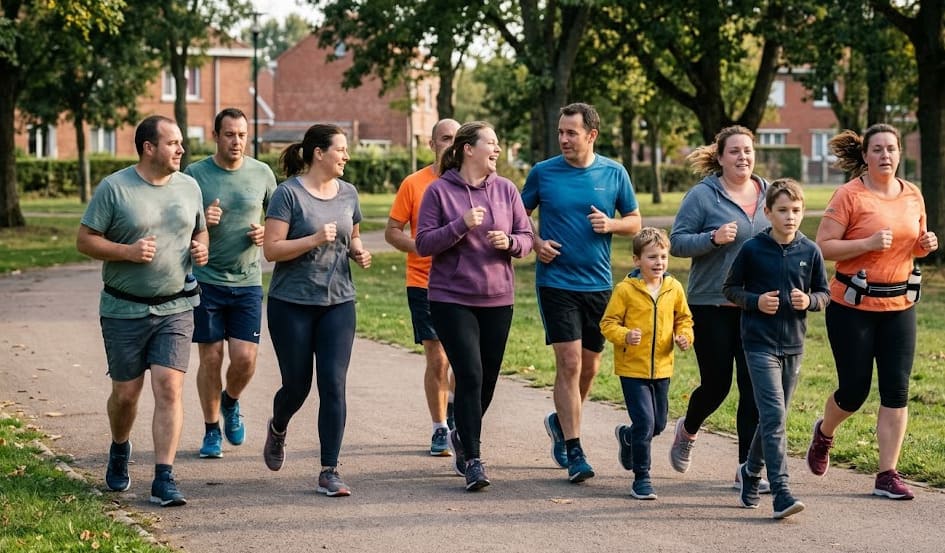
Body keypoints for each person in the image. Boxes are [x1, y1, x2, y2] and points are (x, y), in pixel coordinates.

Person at [76, 115, 209, 507]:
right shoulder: (115, 189)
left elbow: (199, 229)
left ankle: (164, 477)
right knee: (126, 394)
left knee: (169, 386)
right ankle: (120, 447)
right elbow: (85, 240)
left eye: (181, 142)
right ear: (149, 147)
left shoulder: (189, 186)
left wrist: (202, 246)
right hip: (123, 308)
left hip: (176, 305)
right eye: (173, 143)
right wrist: (127, 253)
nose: (181, 150)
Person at [805, 124, 937, 500]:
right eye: (877, 149)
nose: (885, 155)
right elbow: (823, 248)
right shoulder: (849, 195)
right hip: (853, 306)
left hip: (900, 305)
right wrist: (866, 242)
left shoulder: (912, 194)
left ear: (899, 153)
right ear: (865, 155)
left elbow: (915, 245)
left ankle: (887, 474)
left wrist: (926, 245)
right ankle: (825, 433)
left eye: (891, 149)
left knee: (897, 390)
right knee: (854, 391)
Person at [522, 102, 641, 483]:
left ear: (591, 135)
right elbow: (518, 215)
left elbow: (635, 221)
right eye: (560, 132)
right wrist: (536, 243)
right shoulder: (543, 173)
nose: (564, 139)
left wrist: (612, 225)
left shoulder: (614, 172)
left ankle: (560, 423)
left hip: (599, 284)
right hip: (556, 282)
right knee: (570, 363)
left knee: (590, 366)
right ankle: (575, 450)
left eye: (571, 133)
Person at [415, 121, 533, 491]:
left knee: (488, 381)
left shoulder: (506, 190)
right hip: (452, 298)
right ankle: (475, 460)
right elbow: (423, 243)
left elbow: (527, 237)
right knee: (470, 374)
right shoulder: (439, 192)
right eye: (491, 143)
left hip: (498, 297)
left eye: (498, 144)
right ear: (469, 149)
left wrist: (510, 243)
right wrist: (460, 225)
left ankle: (462, 435)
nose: (497, 150)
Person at [261, 124, 372, 497]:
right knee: (297, 385)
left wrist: (358, 250)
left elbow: (351, 234)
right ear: (319, 153)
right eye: (341, 150)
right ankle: (278, 427)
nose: (346, 156)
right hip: (291, 303)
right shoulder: (287, 194)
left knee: (333, 384)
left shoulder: (349, 194)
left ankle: (330, 469)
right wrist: (311, 239)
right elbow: (272, 250)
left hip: (338, 302)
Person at [668, 125, 771, 493]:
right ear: (721, 156)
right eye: (734, 152)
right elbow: (676, 243)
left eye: (748, 150)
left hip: (755, 305)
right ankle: (688, 429)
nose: (743, 157)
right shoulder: (702, 196)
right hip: (710, 302)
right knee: (716, 385)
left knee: (753, 388)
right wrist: (712, 238)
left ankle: (747, 470)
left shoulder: (768, 194)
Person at [723, 179, 830, 519]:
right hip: (759, 344)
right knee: (772, 417)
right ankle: (781, 491)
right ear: (767, 212)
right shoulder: (753, 249)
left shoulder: (810, 251)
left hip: (794, 346)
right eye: (782, 210)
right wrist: (755, 301)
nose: (790, 217)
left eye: (796, 211)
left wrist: (809, 300)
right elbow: (730, 289)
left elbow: (825, 294)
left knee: (775, 418)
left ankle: (751, 473)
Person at [184, 108, 277, 459]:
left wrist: (266, 231)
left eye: (242, 135)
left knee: (245, 359)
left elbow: (281, 220)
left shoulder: (262, 173)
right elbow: (180, 225)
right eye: (229, 135)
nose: (236, 141)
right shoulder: (195, 175)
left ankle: (230, 401)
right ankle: (211, 430)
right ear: (216, 136)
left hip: (247, 280)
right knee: (210, 358)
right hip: (206, 280)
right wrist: (202, 220)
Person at [600, 227, 693, 500]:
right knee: (644, 422)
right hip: (632, 369)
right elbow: (607, 324)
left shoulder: (673, 288)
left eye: (663, 256)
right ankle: (642, 477)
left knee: (658, 424)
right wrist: (625, 335)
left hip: (663, 368)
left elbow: (684, 319)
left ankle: (628, 438)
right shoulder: (625, 291)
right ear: (636, 260)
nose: (659, 263)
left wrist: (685, 337)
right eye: (652, 257)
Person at [385, 118, 460, 456]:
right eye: (445, 138)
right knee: (438, 357)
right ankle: (440, 427)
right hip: (424, 281)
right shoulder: (415, 184)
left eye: (457, 138)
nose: (451, 144)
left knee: (465, 361)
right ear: (432, 144)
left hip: (465, 283)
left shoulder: (471, 182)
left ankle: (458, 413)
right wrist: (422, 245)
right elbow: (392, 231)